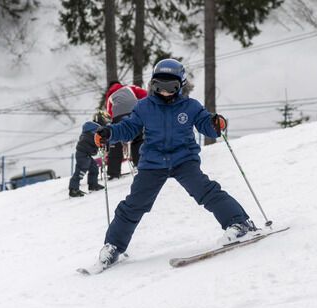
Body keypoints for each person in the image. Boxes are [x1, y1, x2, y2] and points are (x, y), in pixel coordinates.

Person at [93, 58, 257, 267]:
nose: (165, 91)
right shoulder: (144, 107)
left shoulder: (190, 107)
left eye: (171, 86)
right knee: (134, 204)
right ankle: (113, 246)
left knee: (206, 191)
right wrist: (109, 132)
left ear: (180, 85)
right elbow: (128, 128)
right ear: (153, 85)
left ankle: (240, 223)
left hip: (183, 159)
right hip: (153, 163)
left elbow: (206, 124)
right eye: (159, 86)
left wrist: (216, 124)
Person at [104, 81, 148, 179]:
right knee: (138, 139)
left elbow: (109, 111)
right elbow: (145, 94)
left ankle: (113, 173)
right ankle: (140, 166)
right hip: (135, 112)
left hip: (118, 115)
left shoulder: (110, 95)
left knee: (116, 142)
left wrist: (116, 123)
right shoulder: (129, 87)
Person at [68, 112, 109, 197]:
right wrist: (103, 143)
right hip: (83, 154)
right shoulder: (96, 130)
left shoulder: (91, 129)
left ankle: (93, 185)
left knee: (94, 168)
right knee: (80, 171)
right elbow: (97, 140)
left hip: (86, 154)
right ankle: (73, 189)